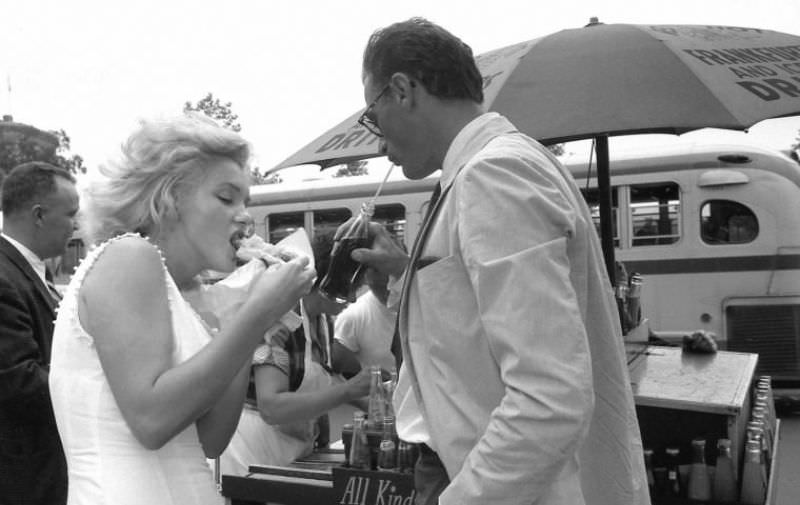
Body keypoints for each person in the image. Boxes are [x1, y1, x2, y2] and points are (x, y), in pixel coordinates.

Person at [347, 18, 650, 505]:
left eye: (372, 116)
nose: (379, 141)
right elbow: (470, 325)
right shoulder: (487, 168)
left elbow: (550, 398)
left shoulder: (493, 174)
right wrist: (406, 274)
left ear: (402, 90)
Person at [48, 113, 316, 505]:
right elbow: (152, 421)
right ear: (170, 198)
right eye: (226, 197)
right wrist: (255, 312)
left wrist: (245, 308)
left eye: (246, 201)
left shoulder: (188, 295)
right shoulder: (129, 256)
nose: (244, 215)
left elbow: (211, 438)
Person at [218, 236, 371, 475]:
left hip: (291, 448)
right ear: (329, 281)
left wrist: (366, 400)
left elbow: (318, 380)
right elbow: (272, 407)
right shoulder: (280, 319)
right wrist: (349, 391)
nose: (352, 300)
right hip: (254, 451)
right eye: (351, 288)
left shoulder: (322, 321)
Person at [0, 161, 78, 505]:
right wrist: (98, 386)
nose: (75, 227)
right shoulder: (4, 278)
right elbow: (18, 380)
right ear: (39, 215)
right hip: (22, 476)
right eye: (71, 214)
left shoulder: (24, 272)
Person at [332, 266, 397, 377]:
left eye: (395, 283)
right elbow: (339, 372)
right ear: (366, 279)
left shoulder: (427, 305)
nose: (388, 290)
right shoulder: (351, 317)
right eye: (379, 286)